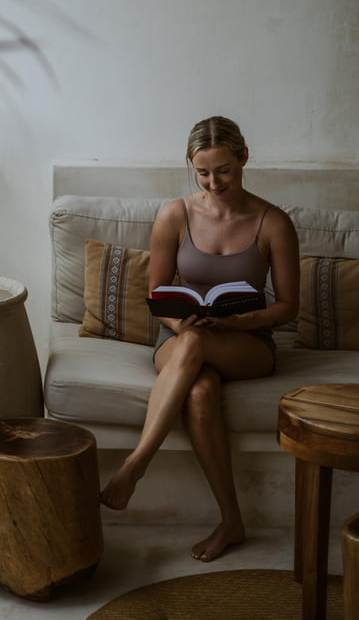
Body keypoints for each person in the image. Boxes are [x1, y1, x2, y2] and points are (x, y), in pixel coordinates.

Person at [99, 116, 300, 562]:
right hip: (180, 334)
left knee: (195, 346)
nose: (214, 183)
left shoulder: (273, 222)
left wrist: (242, 321)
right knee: (200, 392)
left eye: (223, 170)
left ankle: (136, 464)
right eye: (203, 173)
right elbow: (157, 293)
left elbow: (289, 306)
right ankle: (232, 521)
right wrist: (181, 325)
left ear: (243, 157)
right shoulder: (175, 214)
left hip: (246, 342)